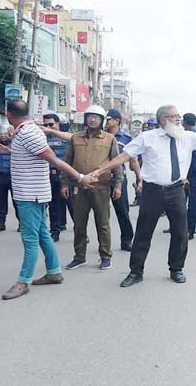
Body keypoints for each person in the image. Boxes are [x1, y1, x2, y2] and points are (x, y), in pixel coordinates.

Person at [89, 105, 196, 288]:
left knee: (180, 232)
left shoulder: (187, 137)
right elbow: (124, 156)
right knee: (143, 232)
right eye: (174, 116)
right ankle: (136, 272)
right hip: (152, 191)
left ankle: (176, 269)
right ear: (163, 119)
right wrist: (100, 171)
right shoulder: (147, 138)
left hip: (176, 190)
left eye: (179, 116)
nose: (178, 119)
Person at [1, 99, 95, 300]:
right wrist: (10, 150)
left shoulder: (28, 133)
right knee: (42, 233)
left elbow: (54, 159)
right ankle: (54, 272)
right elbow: (31, 155)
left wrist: (79, 178)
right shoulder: (25, 131)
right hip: (31, 192)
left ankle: (23, 282)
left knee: (30, 238)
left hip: (30, 194)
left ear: (9, 114)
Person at [59, 105, 123, 271]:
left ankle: (105, 256)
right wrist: (65, 183)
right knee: (79, 224)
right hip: (80, 188)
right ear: (85, 118)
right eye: (90, 116)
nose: (92, 119)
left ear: (102, 120)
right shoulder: (75, 138)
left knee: (103, 224)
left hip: (101, 188)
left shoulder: (109, 139)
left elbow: (116, 163)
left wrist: (118, 185)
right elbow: (67, 162)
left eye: (96, 117)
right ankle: (79, 256)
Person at [106, 108, 142, 251]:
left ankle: (126, 240)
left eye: (109, 119)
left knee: (122, 211)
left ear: (117, 121)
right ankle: (104, 244)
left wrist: (140, 179)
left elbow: (133, 161)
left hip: (119, 179)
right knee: (101, 213)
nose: (106, 122)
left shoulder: (126, 139)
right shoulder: (100, 136)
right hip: (101, 179)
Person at [43, 111, 75, 242]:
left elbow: (74, 138)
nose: (48, 127)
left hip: (66, 176)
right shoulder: (42, 139)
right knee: (54, 206)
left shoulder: (65, 136)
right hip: (50, 176)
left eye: (51, 124)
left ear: (58, 124)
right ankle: (54, 231)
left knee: (73, 206)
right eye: (45, 125)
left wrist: (52, 132)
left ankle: (80, 232)